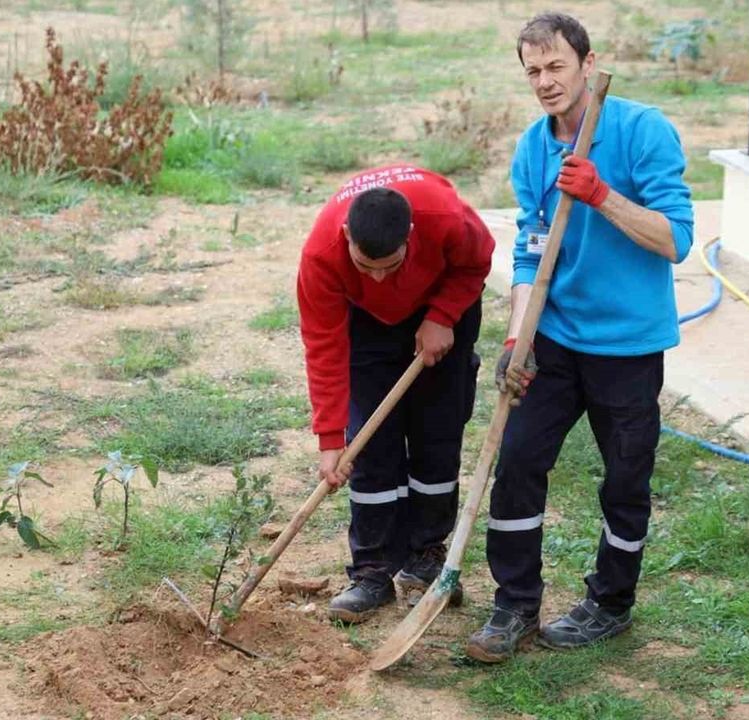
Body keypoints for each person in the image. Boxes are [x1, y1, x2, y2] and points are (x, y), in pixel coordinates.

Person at [465, 12, 695, 663]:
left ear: (588, 66)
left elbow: (675, 239)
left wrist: (601, 195)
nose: (545, 81)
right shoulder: (532, 148)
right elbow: (530, 252)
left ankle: (611, 603)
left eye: (556, 66)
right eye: (533, 71)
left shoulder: (643, 130)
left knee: (624, 478)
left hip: (627, 344)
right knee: (517, 461)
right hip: (556, 335)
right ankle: (514, 604)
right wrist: (517, 338)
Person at [297, 165, 495, 623]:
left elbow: (476, 261)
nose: (379, 278)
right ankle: (373, 571)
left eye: (390, 265)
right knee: (371, 440)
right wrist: (330, 439)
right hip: (365, 321)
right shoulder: (321, 256)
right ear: (347, 235)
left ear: (410, 234)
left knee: (437, 433)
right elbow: (323, 347)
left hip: (439, 306)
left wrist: (443, 315)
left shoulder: (445, 216)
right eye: (365, 266)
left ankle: (426, 557)